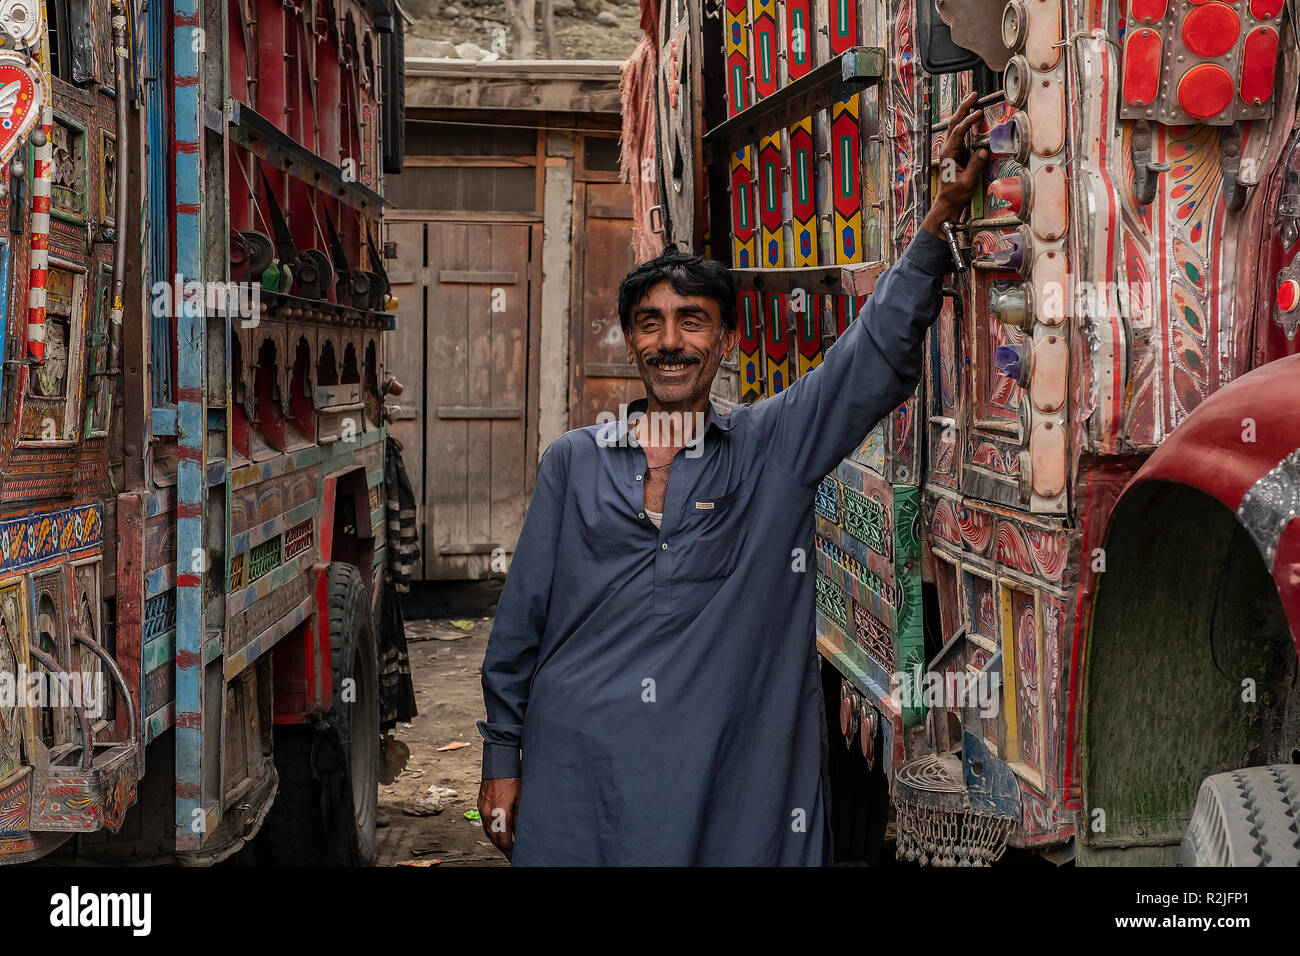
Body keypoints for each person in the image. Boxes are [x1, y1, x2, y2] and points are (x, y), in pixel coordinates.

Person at [476, 93, 990, 864]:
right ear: (629, 342)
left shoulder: (770, 447)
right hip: (580, 779)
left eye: (692, 321)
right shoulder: (573, 462)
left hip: (724, 780)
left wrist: (938, 215)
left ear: (723, 341)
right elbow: (518, 633)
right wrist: (501, 760)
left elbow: (869, 358)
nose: (670, 341)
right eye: (650, 322)